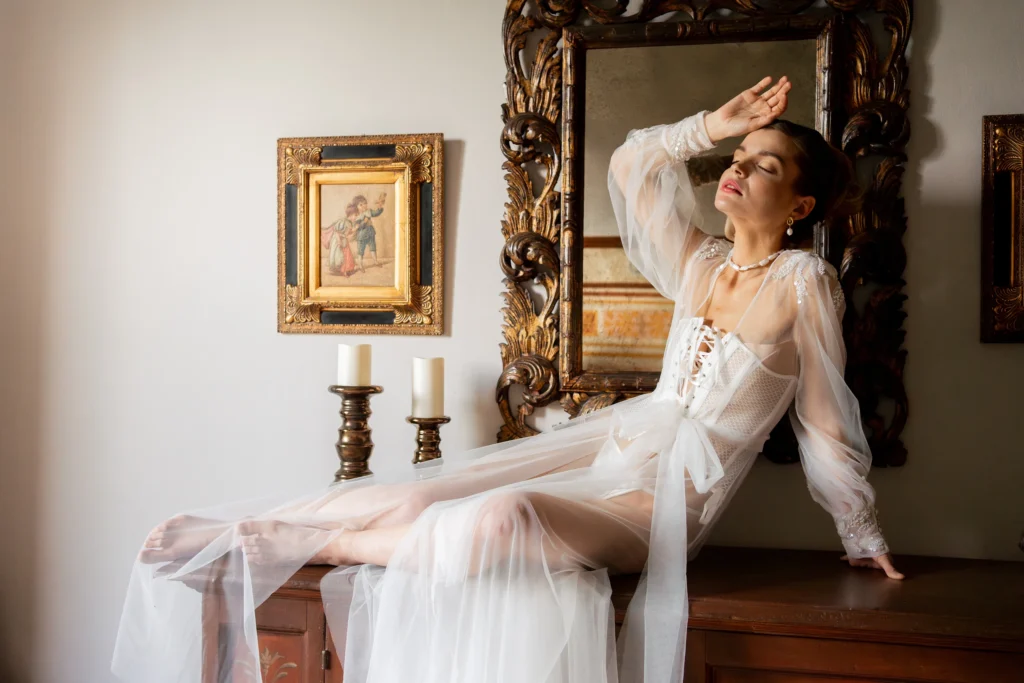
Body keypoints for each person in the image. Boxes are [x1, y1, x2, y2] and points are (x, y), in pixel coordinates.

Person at [113, 76, 902, 683]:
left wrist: (861, 534)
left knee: (503, 516)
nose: (737, 169)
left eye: (763, 165)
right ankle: (246, 528)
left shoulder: (805, 282)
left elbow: (825, 417)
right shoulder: (699, 260)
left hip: (663, 506)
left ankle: (320, 539)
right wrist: (710, 126)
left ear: (800, 203)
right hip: (616, 446)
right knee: (423, 492)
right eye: (735, 158)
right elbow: (631, 165)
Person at [352, 192, 386, 271]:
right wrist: (364, 221)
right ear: (356, 207)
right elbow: (358, 227)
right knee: (360, 251)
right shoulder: (356, 216)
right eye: (361, 205)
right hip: (362, 235)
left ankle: (375, 261)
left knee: (373, 248)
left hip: (370, 233)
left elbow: (376, 213)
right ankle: (360, 265)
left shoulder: (369, 211)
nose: (364, 205)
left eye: (365, 203)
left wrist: (380, 206)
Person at [323, 205, 359, 277]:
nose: (356, 217)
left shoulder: (349, 223)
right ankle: (344, 271)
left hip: (344, 240)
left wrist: (355, 229)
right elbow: (336, 231)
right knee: (342, 256)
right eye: (355, 215)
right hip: (338, 240)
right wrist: (339, 241)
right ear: (350, 214)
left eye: (357, 215)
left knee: (347, 255)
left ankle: (347, 269)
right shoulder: (343, 221)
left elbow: (348, 233)